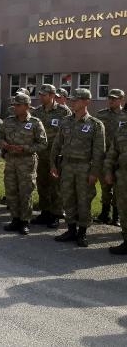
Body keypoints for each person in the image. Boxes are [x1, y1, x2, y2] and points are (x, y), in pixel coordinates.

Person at [50, 88, 105, 247]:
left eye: (76, 100)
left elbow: (99, 151)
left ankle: (82, 232)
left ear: (86, 101)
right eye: (72, 100)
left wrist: (94, 172)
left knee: (84, 200)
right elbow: (57, 144)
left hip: (84, 167)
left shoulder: (95, 124)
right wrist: (53, 164)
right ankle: (71, 229)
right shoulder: (66, 121)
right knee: (68, 198)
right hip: (67, 166)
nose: (73, 102)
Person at [0, 93, 47, 235]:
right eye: (14, 105)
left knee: (25, 192)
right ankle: (15, 219)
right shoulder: (8, 121)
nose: (15, 107)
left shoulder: (35, 123)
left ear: (27, 106)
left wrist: (25, 148)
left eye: (18, 105)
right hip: (11, 161)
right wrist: (3, 144)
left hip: (27, 162)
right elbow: (0, 138)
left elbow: (43, 144)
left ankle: (25, 221)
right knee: (11, 191)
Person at [31, 84, 72, 228]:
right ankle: (45, 212)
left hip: (56, 156)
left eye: (44, 95)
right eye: (40, 95)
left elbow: (68, 133)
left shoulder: (63, 111)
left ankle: (56, 214)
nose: (41, 97)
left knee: (56, 186)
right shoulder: (37, 112)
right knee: (42, 184)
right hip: (41, 154)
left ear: (52, 96)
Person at [95, 88, 127, 225]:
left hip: (120, 157)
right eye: (110, 98)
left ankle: (116, 216)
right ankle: (104, 213)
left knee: (119, 187)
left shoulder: (125, 115)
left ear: (121, 99)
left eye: (114, 98)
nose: (111, 100)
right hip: (105, 156)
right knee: (105, 186)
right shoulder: (101, 115)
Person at [104, 121, 127, 254]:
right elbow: (112, 154)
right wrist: (108, 172)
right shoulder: (122, 130)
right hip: (123, 177)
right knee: (124, 210)